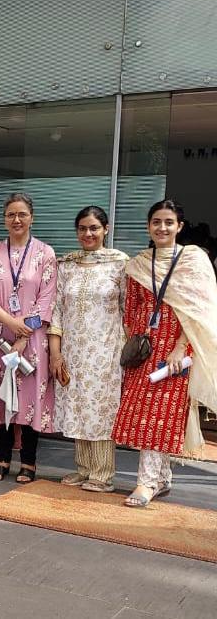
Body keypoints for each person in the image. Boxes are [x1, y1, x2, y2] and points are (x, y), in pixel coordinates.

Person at [112, 199, 217, 507]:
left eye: (168, 222)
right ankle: (162, 478)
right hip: (144, 350)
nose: (162, 227)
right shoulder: (139, 264)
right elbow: (130, 309)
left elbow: (198, 312)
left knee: (162, 417)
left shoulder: (192, 260)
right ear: (149, 226)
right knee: (144, 414)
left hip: (176, 351)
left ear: (179, 226)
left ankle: (145, 484)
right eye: (156, 221)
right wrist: (137, 345)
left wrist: (179, 348)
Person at [0, 193, 57, 483]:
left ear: (32, 217)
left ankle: (29, 463)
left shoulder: (46, 254)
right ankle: (2, 459)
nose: (17, 220)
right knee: (1, 397)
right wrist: (10, 322)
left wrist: (23, 336)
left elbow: (47, 300)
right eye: (11, 214)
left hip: (31, 341)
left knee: (30, 397)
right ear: (4, 219)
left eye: (22, 214)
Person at [48, 206, 128, 493]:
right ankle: (83, 468)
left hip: (105, 350)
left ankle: (103, 473)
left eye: (94, 227)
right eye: (82, 228)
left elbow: (127, 311)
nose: (88, 233)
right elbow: (57, 311)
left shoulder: (119, 264)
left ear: (105, 229)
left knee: (101, 410)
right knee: (79, 406)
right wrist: (55, 354)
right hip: (73, 350)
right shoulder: (67, 265)